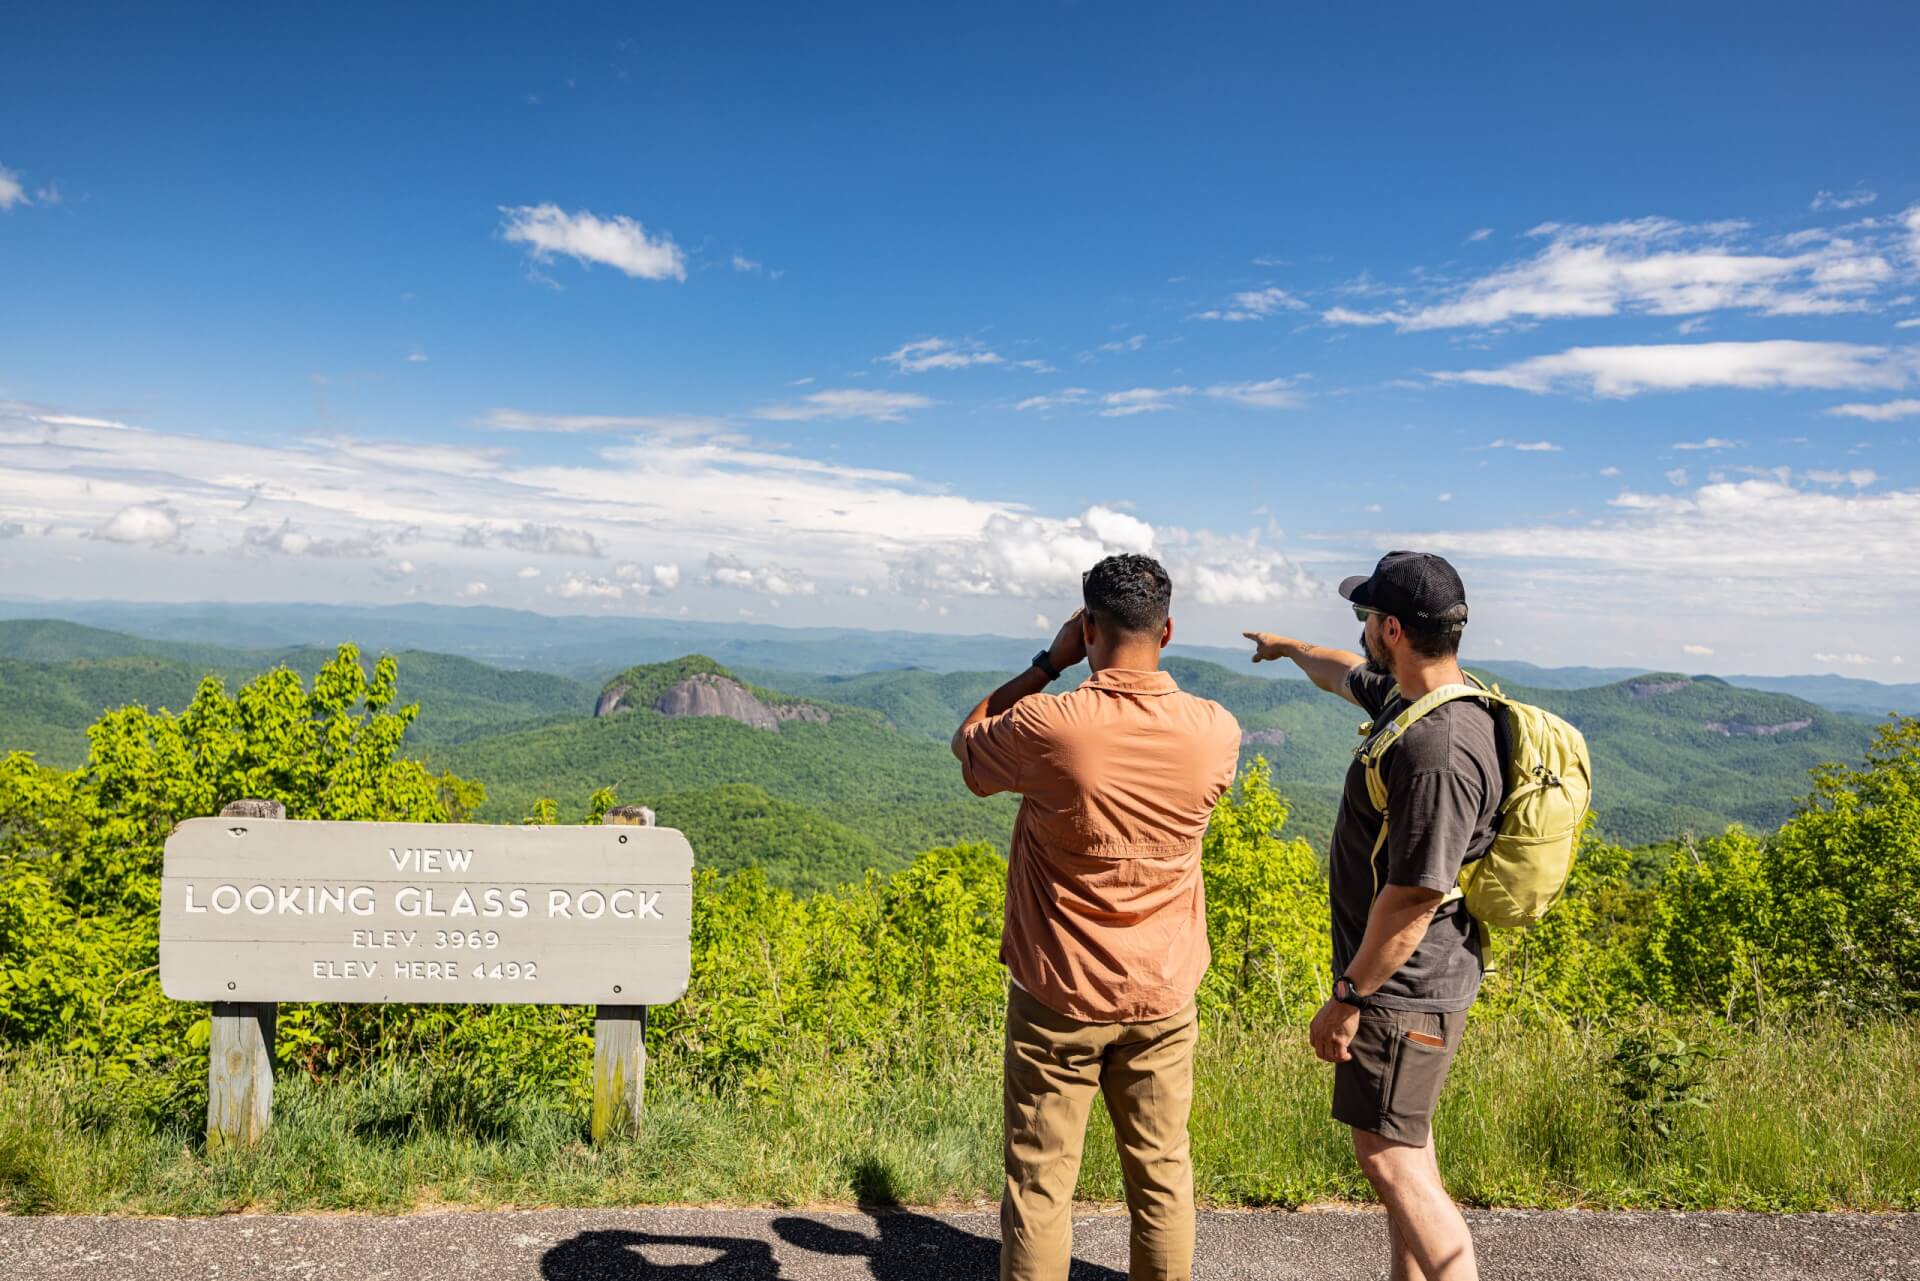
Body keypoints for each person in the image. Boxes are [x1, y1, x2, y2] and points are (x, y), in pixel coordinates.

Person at [950, 553, 1241, 1281]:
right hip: (1164, 993)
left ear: (1087, 626)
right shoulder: (1216, 731)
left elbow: (968, 741)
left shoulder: (1053, 724)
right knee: (1163, 1175)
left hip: (1060, 993)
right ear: (1167, 629)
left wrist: (1048, 663)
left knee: (1042, 1184)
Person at [1244, 550, 1495, 1281]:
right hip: (1410, 981)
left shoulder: (1437, 745)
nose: (1355, 630)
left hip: (1401, 986)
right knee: (1406, 1151)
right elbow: (1336, 671)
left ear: (1391, 627)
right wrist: (1287, 647)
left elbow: (1415, 895)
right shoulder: (1421, 699)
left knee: (1387, 1159)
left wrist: (1349, 996)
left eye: (1363, 618)